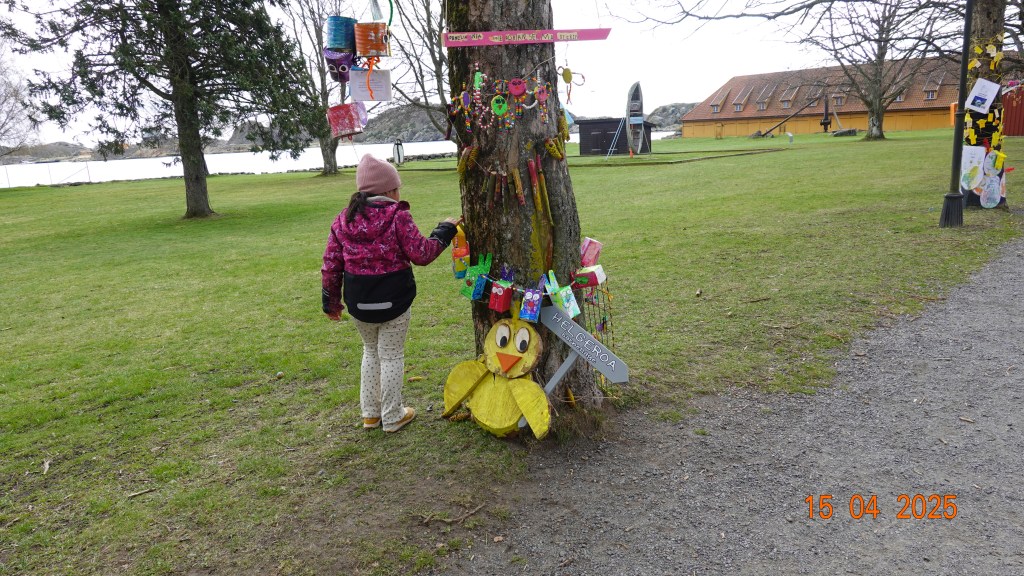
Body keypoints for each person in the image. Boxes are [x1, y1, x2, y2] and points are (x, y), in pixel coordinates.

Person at [321, 154, 459, 433]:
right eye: (397, 188)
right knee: (391, 355)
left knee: (370, 352)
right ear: (389, 190)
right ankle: (393, 415)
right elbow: (422, 253)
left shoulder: (344, 219)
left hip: (359, 302)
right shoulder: (398, 216)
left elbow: (331, 264)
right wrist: (445, 230)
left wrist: (330, 302)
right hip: (395, 300)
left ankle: (371, 414)